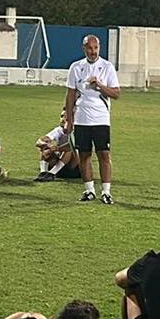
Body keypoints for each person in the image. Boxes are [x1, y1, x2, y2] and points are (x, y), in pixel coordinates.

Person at [63, 34, 121, 204]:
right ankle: (89, 190)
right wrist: (69, 119)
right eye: (90, 48)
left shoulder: (107, 67)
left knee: (104, 154)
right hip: (82, 118)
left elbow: (116, 93)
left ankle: (106, 191)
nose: (93, 51)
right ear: (84, 49)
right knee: (84, 155)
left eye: (96, 48)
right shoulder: (76, 67)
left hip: (101, 118)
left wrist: (100, 86)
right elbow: (70, 95)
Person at [33, 109, 80, 181]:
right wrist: (46, 145)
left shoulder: (78, 131)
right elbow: (39, 142)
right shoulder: (58, 130)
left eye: (66, 117)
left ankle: (51, 174)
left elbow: (72, 146)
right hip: (59, 165)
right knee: (44, 147)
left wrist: (57, 148)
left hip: (74, 168)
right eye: (61, 116)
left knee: (69, 148)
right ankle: (43, 173)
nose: (62, 119)